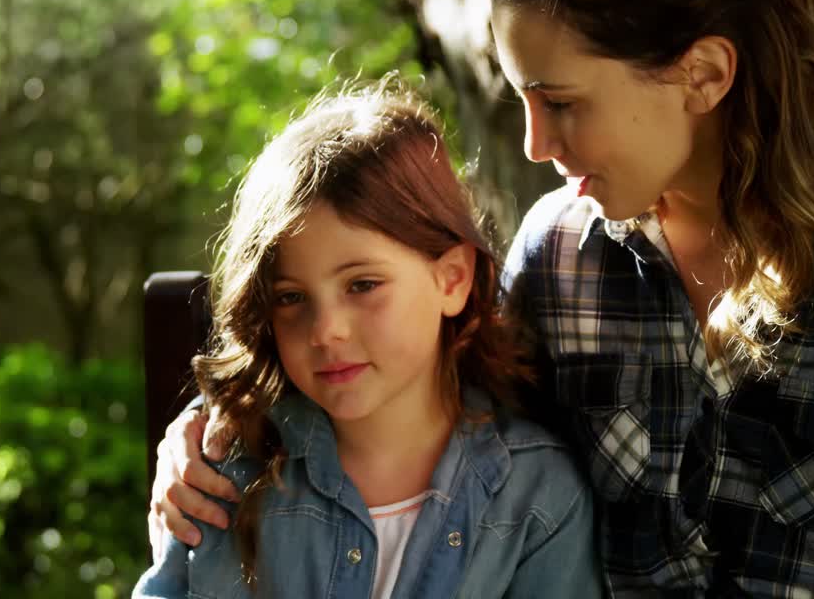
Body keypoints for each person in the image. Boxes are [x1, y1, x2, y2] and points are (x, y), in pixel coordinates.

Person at [148, 0, 814, 596]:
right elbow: (406, 396)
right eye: (521, 99)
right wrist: (210, 430)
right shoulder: (562, 257)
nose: (534, 146)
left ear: (703, 73)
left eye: (561, 103)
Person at [134, 80, 601, 599]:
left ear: (451, 280)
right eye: (291, 297)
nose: (325, 329)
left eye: (363, 285)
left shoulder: (537, 497)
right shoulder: (221, 471)